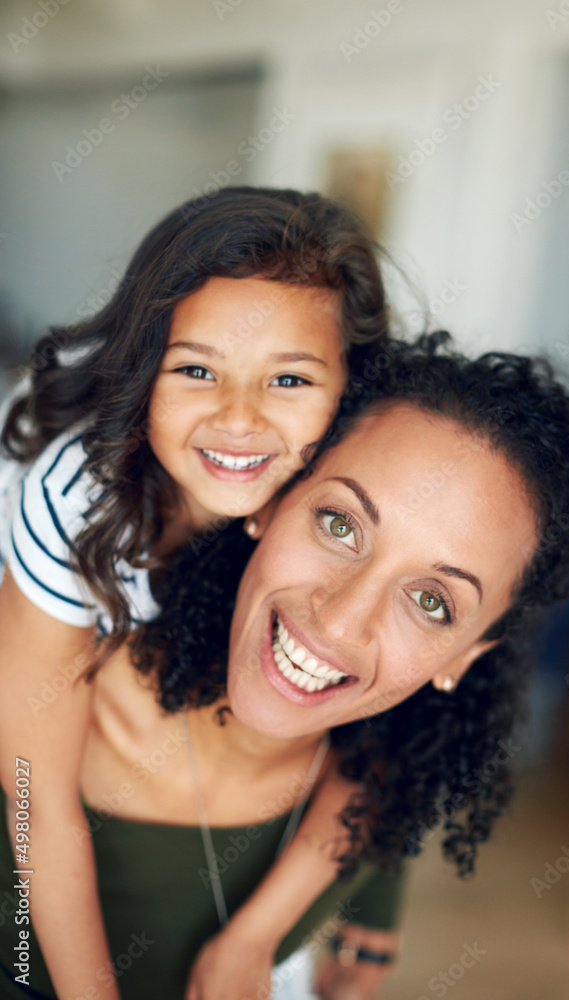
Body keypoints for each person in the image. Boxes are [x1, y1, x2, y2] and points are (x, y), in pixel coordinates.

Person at [0, 332, 569, 999]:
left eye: (431, 602)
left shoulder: (379, 748)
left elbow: (385, 774)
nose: (342, 619)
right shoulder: (53, 707)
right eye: (340, 524)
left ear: (463, 657)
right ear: (273, 501)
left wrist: (364, 917)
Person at [0, 187, 390, 1000]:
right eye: (196, 369)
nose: (237, 419)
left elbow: (394, 723)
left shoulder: (357, 492)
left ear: (350, 389)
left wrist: (371, 909)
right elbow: (35, 796)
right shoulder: (77, 499)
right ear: (143, 369)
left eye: (287, 379)